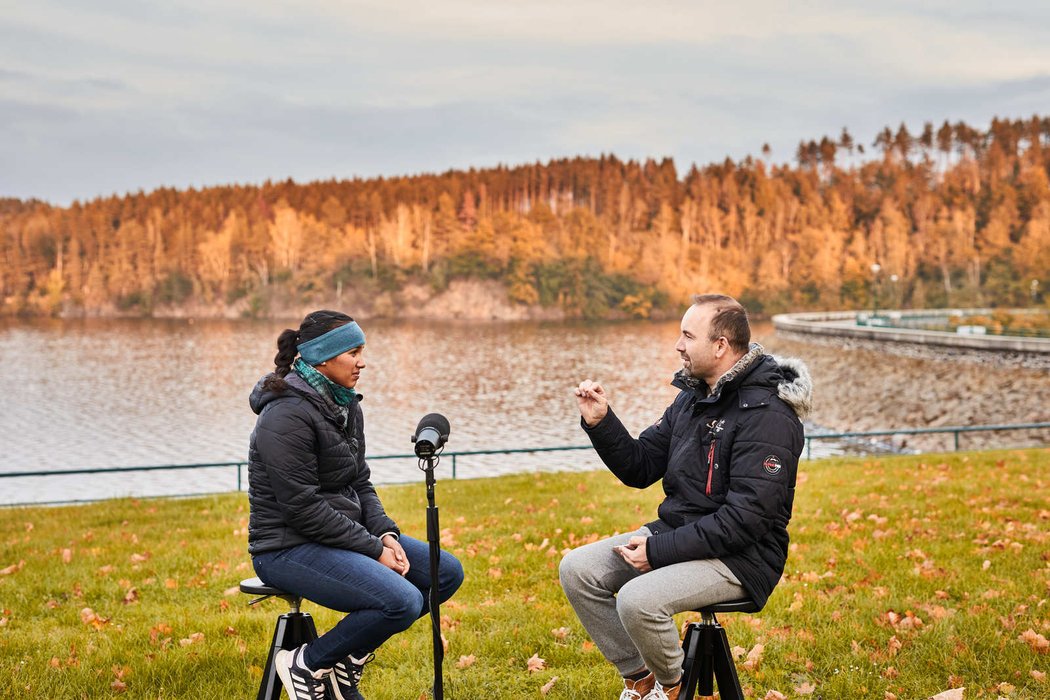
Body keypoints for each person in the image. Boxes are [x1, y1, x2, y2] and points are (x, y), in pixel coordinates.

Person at [559, 294, 812, 700]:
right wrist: (601, 422)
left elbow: (746, 519)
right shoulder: (693, 398)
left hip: (743, 557)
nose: (678, 345)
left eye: (687, 335)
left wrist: (658, 551)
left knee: (638, 600)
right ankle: (640, 679)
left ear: (720, 346)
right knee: (579, 569)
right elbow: (640, 467)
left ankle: (675, 689)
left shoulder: (769, 415)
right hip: (679, 534)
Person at [247, 310, 464, 700]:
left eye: (362, 350)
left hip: (338, 536)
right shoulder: (285, 414)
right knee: (401, 601)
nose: (362, 361)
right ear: (324, 357)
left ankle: (343, 660)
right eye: (353, 352)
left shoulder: (345, 404)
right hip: (285, 547)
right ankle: (307, 664)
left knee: (444, 572)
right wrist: (373, 549)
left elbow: (358, 480)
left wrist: (386, 532)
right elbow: (303, 508)